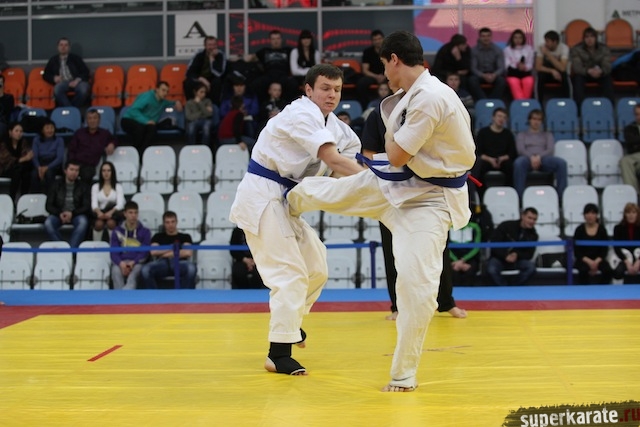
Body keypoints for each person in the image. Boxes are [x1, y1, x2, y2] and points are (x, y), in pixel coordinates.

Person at [287, 31, 476, 392]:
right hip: (398, 183)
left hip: (428, 200)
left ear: (393, 59)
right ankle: (287, 202)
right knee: (334, 191)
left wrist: (391, 138)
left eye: (383, 65)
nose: (384, 73)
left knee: (417, 288)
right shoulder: (409, 96)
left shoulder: (430, 97)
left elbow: (398, 154)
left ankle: (403, 374)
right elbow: (397, 155)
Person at [229, 63, 365, 377]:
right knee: (289, 274)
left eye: (337, 89)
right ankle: (278, 354)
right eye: (325, 88)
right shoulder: (300, 114)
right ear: (308, 90)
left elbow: (352, 163)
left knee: (316, 266)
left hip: (288, 200)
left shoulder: (339, 128)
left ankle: (290, 325)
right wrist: (377, 183)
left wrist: (392, 174)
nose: (332, 95)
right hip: (263, 195)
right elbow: (332, 159)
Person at [361, 83, 468, 319]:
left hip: (428, 189)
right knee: (393, 250)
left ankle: (446, 301)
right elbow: (368, 153)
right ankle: (398, 306)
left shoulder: (426, 109)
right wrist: (382, 172)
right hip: (392, 191)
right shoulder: (378, 115)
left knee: (438, 247)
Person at [513, 109, 567, 198]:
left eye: (539, 119)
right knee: (518, 163)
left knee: (561, 163)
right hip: (527, 159)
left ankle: (561, 196)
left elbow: (550, 150)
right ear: (529, 120)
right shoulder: (522, 135)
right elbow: (521, 150)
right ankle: (519, 197)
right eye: (534, 119)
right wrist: (531, 157)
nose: (536, 122)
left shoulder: (547, 135)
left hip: (544, 159)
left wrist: (538, 157)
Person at [121, 81, 183, 152]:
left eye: (167, 91)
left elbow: (170, 102)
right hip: (129, 119)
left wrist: (177, 102)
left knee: (152, 129)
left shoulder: (163, 102)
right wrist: (146, 121)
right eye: (163, 90)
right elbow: (133, 110)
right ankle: (135, 152)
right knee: (140, 129)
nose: (165, 93)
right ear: (157, 89)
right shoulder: (147, 97)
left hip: (144, 124)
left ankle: (143, 152)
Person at [140, 211, 197, 289]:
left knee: (191, 268)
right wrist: (173, 248)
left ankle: (184, 294)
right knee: (145, 270)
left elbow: (188, 253)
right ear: (164, 223)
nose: (170, 225)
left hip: (180, 262)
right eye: (167, 222)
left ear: (176, 222)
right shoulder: (158, 236)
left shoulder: (185, 236)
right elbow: (153, 252)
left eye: (173, 222)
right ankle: (154, 295)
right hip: (162, 263)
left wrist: (163, 253)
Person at [486, 207, 538, 286]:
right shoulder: (506, 225)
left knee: (531, 268)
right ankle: (504, 288)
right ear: (522, 216)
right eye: (529, 218)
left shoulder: (533, 235)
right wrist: (505, 255)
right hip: (499, 258)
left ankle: (514, 287)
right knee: (491, 269)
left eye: (534, 219)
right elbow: (493, 244)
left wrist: (516, 255)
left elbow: (529, 254)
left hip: (518, 260)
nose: (532, 221)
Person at [44, 160, 91, 248]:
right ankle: (63, 248)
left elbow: (86, 206)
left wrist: (72, 213)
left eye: (76, 170)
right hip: (59, 214)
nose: (74, 173)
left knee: (83, 222)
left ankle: (71, 250)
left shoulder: (83, 186)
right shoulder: (55, 185)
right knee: (48, 223)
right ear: (65, 170)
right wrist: (59, 213)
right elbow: (48, 206)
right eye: (71, 169)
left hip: (76, 214)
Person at [470, 107, 516, 189]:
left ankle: (508, 190)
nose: (501, 119)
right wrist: (490, 159)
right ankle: (481, 192)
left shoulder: (508, 134)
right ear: (493, 117)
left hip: (502, 160)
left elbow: (512, 152)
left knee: (510, 166)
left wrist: (502, 158)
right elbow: (478, 152)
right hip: (487, 160)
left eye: (504, 117)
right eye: (499, 116)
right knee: (479, 166)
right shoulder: (483, 132)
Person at [67, 108, 117, 183]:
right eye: (89, 118)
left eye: (95, 118)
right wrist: (72, 164)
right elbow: (71, 149)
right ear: (86, 120)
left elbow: (115, 140)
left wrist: (112, 144)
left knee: (87, 174)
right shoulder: (79, 133)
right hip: (76, 163)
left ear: (99, 120)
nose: (92, 121)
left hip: (90, 165)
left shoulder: (104, 134)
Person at [110, 201, 151, 290]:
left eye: (136, 213)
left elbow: (144, 253)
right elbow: (113, 252)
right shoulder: (116, 231)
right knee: (115, 270)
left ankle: (126, 295)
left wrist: (133, 262)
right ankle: (119, 295)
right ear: (125, 214)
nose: (133, 215)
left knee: (135, 273)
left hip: (137, 263)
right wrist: (121, 264)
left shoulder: (145, 231)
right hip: (121, 262)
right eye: (130, 213)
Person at [250, 30, 298, 104]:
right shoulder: (265, 51)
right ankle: (264, 105)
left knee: (293, 84)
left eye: (278, 38)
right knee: (255, 84)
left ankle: (286, 105)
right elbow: (251, 58)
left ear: (281, 40)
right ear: (270, 40)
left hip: (283, 75)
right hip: (269, 75)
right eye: (273, 39)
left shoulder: (288, 50)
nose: (276, 41)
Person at [570, 27, 614, 106]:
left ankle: (609, 106)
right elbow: (577, 67)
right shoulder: (576, 49)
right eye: (587, 37)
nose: (589, 39)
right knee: (577, 79)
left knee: (607, 78)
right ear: (583, 39)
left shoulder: (604, 48)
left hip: (599, 73)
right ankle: (579, 108)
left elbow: (607, 65)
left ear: (596, 38)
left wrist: (601, 71)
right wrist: (588, 71)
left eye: (592, 37)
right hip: (584, 73)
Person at [42, 37, 90, 108]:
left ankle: (71, 109)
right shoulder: (53, 60)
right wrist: (54, 78)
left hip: (76, 82)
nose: (63, 47)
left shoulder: (76, 58)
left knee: (83, 89)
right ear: (57, 47)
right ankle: (71, 109)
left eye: (66, 45)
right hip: (63, 82)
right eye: (61, 45)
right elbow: (45, 75)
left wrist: (77, 80)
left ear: (69, 48)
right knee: (57, 89)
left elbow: (86, 72)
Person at [572, 203, 613, 285]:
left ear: (596, 215)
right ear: (584, 215)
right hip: (584, 259)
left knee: (608, 271)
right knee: (583, 270)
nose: (590, 216)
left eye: (593, 213)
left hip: (599, 259)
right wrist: (589, 262)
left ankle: (602, 289)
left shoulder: (602, 230)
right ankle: (585, 291)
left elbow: (604, 250)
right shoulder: (579, 230)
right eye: (587, 213)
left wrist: (596, 262)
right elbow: (577, 251)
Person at [183, 35, 226, 105]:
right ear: (205, 46)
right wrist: (202, 79)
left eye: (214, 45)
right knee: (187, 82)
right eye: (210, 45)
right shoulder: (199, 55)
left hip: (213, 79)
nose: (212, 47)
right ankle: (191, 105)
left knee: (217, 82)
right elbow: (189, 73)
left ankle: (214, 106)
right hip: (200, 78)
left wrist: (212, 60)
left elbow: (219, 73)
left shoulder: (220, 55)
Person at [468, 27, 506, 101]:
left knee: (502, 81)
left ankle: (493, 101)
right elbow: (473, 68)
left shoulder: (497, 50)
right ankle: (484, 101)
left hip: (493, 74)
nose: (486, 38)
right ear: (480, 37)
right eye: (483, 36)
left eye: (488, 36)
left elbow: (501, 67)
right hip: (480, 74)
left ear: (491, 37)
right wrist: (483, 75)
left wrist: (494, 75)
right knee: (472, 80)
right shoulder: (474, 50)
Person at [91, 161, 125, 242]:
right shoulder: (95, 186)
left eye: (109, 170)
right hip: (100, 213)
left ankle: (113, 245)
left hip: (114, 213)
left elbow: (120, 204)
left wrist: (110, 213)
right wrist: (99, 213)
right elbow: (94, 204)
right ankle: (96, 245)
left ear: (112, 172)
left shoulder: (118, 186)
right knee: (99, 224)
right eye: (104, 171)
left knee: (111, 223)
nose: (106, 173)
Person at [0, 122, 33, 201]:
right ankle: (12, 198)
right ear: (10, 132)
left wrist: (22, 159)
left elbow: (28, 155)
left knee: (25, 173)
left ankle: (24, 198)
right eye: (16, 131)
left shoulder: (23, 142)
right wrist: (22, 159)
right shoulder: (3, 143)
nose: (19, 133)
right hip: (5, 168)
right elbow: (6, 159)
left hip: (20, 168)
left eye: (21, 131)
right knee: (17, 171)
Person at [30, 119, 64, 194]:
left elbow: (59, 158)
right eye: (47, 128)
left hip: (53, 163)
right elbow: (34, 156)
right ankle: (35, 197)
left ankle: (50, 196)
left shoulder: (59, 140)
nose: (50, 130)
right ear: (42, 130)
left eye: (52, 128)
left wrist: (47, 167)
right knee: (34, 175)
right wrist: (39, 167)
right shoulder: (36, 139)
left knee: (49, 174)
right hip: (40, 163)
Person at [535, 30, 570, 100]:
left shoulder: (564, 48)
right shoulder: (541, 47)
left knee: (564, 76)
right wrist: (552, 71)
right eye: (545, 41)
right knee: (540, 75)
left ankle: (567, 101)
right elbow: (538, 67)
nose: (546, 43)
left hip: (559, 72)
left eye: (548, 41)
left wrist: (548, 54)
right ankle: (539, 103)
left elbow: (562, 68)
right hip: (547, 71)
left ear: (555, 42)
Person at [356, 30, 387, 109]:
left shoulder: (388, 51)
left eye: (379, 39)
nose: (377, 41)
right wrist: (376, 77)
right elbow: (365, 70)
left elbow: (392, 66)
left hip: (387, 75)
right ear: (372, 41)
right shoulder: (367, 52)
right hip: (372, 76)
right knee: (361, 83)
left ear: (383, 39)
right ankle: (364, 107)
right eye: (375, 40)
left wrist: (384, 76)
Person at [612, 202, 640, 283]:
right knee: (618, 272)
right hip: (624, 257)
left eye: (634, 212)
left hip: (638, 257)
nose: (631, 215)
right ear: (625, 214)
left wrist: (638, 261)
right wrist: (627, 262)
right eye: (628, 212)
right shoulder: (618, 228)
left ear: (637, 214)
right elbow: (616, 248)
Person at [503, 29, 535, 100]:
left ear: (523, 39)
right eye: (515, 37)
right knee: (513, 82)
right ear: (512, 39)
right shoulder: (507, 50)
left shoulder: (529, 49)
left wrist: (524, 67)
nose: (518, 40)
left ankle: (525, 102)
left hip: (525, 73)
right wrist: (517, 65)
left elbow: (530, 63)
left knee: (529, 81)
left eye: (520, 37)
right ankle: (521, 102)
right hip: (513, 73)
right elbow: (507, 64)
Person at [185, 82, 219, 147]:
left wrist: (200, 103)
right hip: (194, 121)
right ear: (195, 92)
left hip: (206, 120)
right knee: (191, 127)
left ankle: (205, 148)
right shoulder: (189, 103)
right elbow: (189, 117)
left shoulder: (208, 101)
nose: (203, 94)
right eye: (201, 92)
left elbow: (209, 114)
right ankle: (191, 148)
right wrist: (203, 111)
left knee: (206, 127)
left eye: (205, 92)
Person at [619, 105, 640, 195]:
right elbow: (631, 141)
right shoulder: (629, 128)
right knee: (625, 161)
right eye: (637, 114)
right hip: (636, 156)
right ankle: (632, 194)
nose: (639, 117)